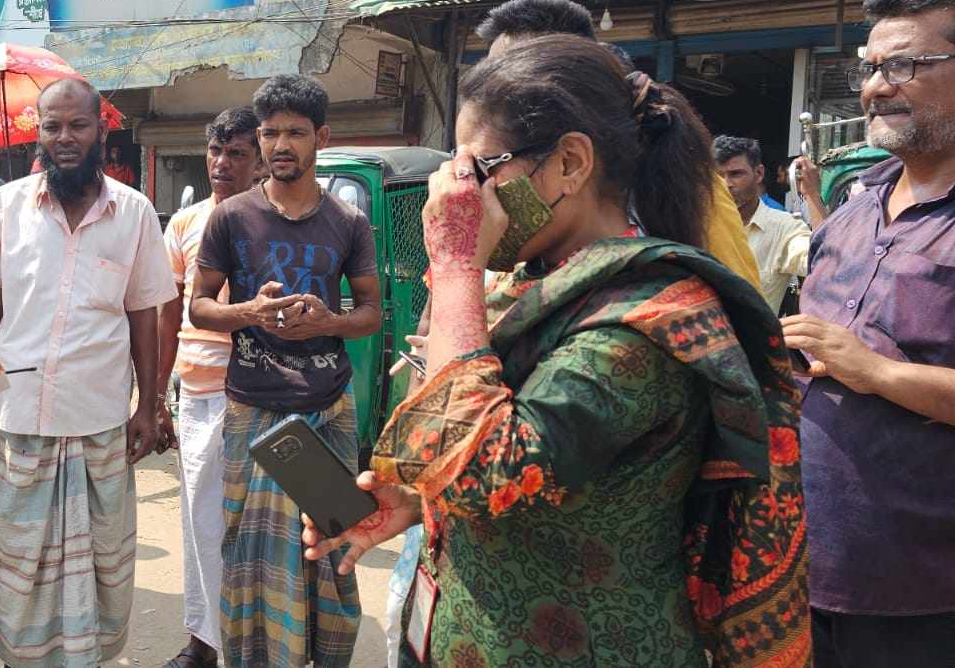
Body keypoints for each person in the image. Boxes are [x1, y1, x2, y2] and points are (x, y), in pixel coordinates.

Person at [301, 35, 809, 667]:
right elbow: (530, 468)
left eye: (481, 172)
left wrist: (457, 260)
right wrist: (417, 501)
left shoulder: (645, 322)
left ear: (570, 163)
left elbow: (489, 466)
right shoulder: (535, 288)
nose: (457, 196)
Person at [0, 78, 176, 668]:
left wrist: (149, 405)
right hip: (19, 414)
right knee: (18, 562)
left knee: (103, 564)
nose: (64, 138)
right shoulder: (6, 207)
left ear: (101, 130)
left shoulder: (133, 213)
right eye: (51, 126)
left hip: (100, 419)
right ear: (39, 130)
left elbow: (144, 314)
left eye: (77, 125)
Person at [783, 0, 955, 667]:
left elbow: (860, 364)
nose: (878, 86)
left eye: (907, 64)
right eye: (873, 67)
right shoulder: (850, 211)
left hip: (925, 596)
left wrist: (879, 372)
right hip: (803, 572)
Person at [188, 75, 381, 668]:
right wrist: (250, 313)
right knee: (249, 553)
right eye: (270, 133)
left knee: (331, 549)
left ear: (321, 137)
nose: (280, 145)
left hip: (329, 408)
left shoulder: (349, 223)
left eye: (295, 132)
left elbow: (372, 315)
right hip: (253, 409)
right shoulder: (231, 218)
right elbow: (197, 305)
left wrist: (328, 319)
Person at [478, 0, 762, 288]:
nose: (488, 99)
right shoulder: (517, 188)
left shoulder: (679, 178)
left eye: (505, 81)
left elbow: (738, 295)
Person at [156, 106, 267, 668]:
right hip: (197, 391)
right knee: (200, 521)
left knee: (255, 526)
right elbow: (168, 310)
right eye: (216, 152)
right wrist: (157, 395)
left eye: (238, 153)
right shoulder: (184, 223)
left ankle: (243, 643)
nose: (223, 164)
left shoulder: (274, 220)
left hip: (259, 391)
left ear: (259, 160)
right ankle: (204, 639)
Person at [715, 136, 811, 315]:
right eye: (719, 176)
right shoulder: (697, 224)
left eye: (736, 174)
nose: (726, 184)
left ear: (759, 174)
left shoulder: (784, 228)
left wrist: (812, 196)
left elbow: (820, 261)